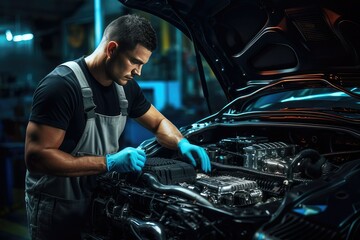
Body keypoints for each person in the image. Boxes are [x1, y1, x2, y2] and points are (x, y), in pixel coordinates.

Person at [24, 14, 211, 240]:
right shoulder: (61, 86)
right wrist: (109, 162)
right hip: (58, 207)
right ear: (112, 49)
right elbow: (37, 157)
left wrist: (182, 143)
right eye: (135, 61)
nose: (138, 72)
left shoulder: (126, 88)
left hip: (100, 200)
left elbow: (159, 122)